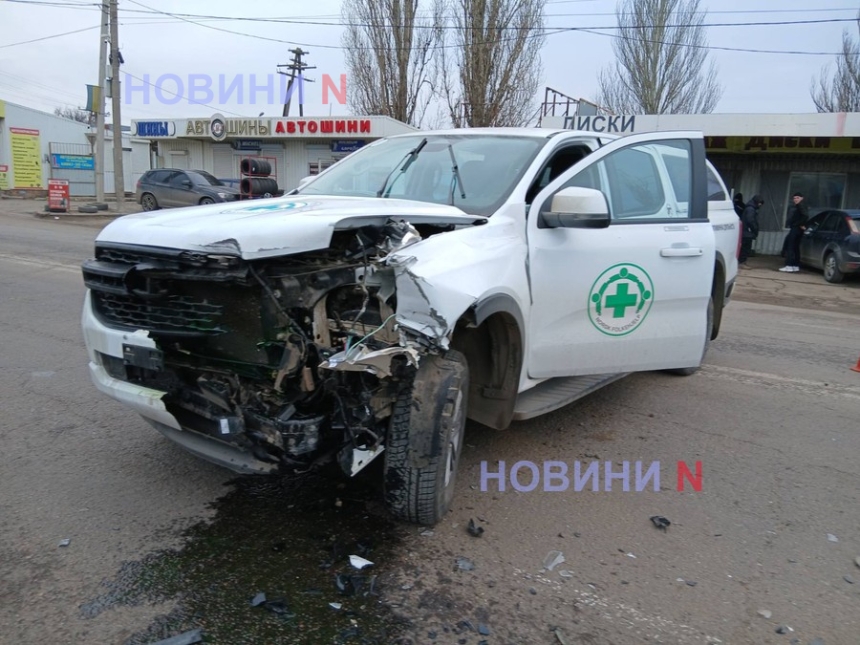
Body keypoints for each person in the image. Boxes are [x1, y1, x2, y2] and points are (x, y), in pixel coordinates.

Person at [779, 192, 809, 272]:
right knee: (796, 247)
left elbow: (805, 216)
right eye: (794, 198)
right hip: (799, 229)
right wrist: (802, 224)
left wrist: (798, 224)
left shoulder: (800, 206)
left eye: (797, 198)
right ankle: (795, 265)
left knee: (790, 246)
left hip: (795, 229)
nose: (795, 199)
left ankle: (789, 265)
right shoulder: (802, 206)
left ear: (802, 198)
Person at [739, 195, 763, 267]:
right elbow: (751, 221)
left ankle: (742, 262)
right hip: (747, 232)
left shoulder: (749, 208)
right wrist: (754, 229)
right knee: (745, 248)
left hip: (746, 231)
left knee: (745, 247)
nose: (760, 205)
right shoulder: (751, 209)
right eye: (760, 203)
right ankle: (742, 262)